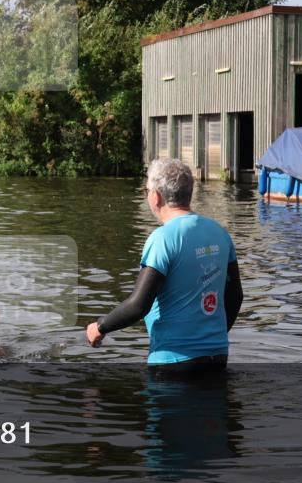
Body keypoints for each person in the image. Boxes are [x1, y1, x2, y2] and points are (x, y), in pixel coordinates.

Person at [86, 158, 243, 370]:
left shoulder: (163, 238)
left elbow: (138, 305)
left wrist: (100, 326)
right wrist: (215, 338)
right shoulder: (220, 233)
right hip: (217, 356)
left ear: (155, 195)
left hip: (173, 360)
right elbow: (235, 296)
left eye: (146, 190)